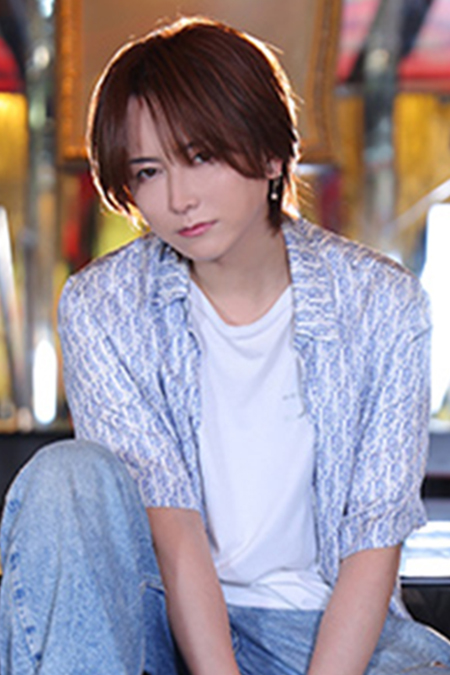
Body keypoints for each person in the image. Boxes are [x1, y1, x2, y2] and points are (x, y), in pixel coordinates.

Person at [1, 15, 449, 675]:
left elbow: (372, 540)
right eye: (148, 171)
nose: (178, 198)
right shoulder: (105, 306)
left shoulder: (380, 303)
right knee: (65, 475)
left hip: (320, 630)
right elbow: (173, 528)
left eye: (200, 157)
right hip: (156, 626)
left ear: (270, 155)